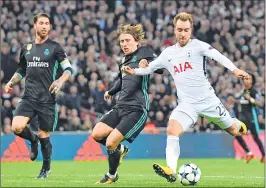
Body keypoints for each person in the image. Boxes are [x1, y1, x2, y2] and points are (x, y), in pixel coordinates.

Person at [121, 12, 249, 182]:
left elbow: (218, 56)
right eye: (179, 29)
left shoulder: (199, 46)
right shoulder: (168, 54)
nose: (182, 33)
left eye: (186, 30)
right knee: (172, 130)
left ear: (191, 30)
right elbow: (150, 68)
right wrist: (135, 70)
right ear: (174, 30)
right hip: (187, 105)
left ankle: (235, 122)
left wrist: (235, 70)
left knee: (233, 130)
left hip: (208, 101)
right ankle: (171, 170)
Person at [91, 23, 163, 184]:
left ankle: (111, 175)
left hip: (137, 109)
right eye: (121, 41)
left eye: (127, 40)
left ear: (136, 41)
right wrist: (110, 91)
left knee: (110, 142)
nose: (124, 44)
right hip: (120, 106)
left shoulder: (144, 51)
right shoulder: (124, 60)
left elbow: (160, 68)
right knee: (96, 133)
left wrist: (149, 65)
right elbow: (122, 80)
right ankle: (121, 150)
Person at [5, 13, 72, 178]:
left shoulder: (55, 47)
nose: (44, 26)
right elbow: (22, 69)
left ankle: (45, 168)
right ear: (35, 26)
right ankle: (32, 140)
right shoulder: (26, 48)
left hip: (47, 100)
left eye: (47, 23)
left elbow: (69, 69)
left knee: (45, 135)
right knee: (16, 127)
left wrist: (60, 80)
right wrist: (12, 81)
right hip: (28, 98)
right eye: (41, 23)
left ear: (49, 27)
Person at [236, 73, 265, 163]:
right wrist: (235, 101)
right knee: (237, 135)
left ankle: (263, 156)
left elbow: (260, 103)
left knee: (255, 137)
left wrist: (250, 99)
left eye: (248, 79)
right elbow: (243, 102)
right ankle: (249, 152)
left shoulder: (253, 91)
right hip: (242, 119)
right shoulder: (243, 91)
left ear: (252, 81)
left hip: (251, 119)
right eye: (245, 79)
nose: (246, 80)